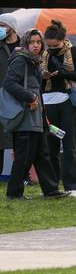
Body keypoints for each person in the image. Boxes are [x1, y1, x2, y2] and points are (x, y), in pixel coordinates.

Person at [4, 29, 70, 200]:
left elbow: (35, 89)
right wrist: (30, 96)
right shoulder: (20, 60)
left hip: (36, 117)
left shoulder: (34, 62)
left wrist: (42, 114)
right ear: (26, 43)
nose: (36, 45)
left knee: (42, 155)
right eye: (32, 42)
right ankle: (14, 193)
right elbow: (9, 84)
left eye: (38, 42)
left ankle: (51, 190)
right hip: (24, 116)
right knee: (23, 157)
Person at [42, 20, 76, 197]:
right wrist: (44, 76)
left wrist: (66, 74)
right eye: (49, 45)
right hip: (48, 104)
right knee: (50, 147)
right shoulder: (43, 54)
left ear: (64, 40)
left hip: (69, 104)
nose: (52, 49)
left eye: (55, 45)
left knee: (70, 145)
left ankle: (72, 185)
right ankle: (52, 186)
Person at [0, 13, 21, 173]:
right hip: (2, 96)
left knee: (22, 136)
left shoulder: (25, 46)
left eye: (3, 25)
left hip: (21, 96)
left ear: (12, 27)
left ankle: (23, 173)